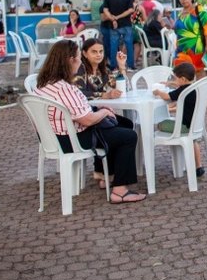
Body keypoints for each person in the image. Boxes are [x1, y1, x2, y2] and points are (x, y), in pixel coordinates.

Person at [34, 40, 145, 203]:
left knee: (122, 124)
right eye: (79, 57)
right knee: (128, 136)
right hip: (72, 138)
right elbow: (86, 120)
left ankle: (108, 174)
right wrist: (104, 111)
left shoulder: (44, 84)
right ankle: (120, 190)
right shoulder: (65, 87)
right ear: (71, 60)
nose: (79, 62)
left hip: (55, 135)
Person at [153, 62, 205, 178]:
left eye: (175, 79)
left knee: (160, 125)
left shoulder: (182, 91)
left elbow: (167, 97)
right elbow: (179, 88)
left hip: (183, 127)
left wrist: (158, 92)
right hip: (194, 126)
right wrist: (170, 83)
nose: (174, 80)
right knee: (193, 141)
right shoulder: (194, 88)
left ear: (182, 79)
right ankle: (198, 166)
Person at [174, 0, 207, 77]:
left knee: (198, 70)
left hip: (196, 47)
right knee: (181, 71)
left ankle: (201, 91)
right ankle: (187, 91)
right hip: (181, 48)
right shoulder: (180, 13)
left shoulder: (199, 10)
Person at [101, 0, 136, 71]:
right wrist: (119, 17)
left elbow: (105, 10)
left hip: (113, 25)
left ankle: (113, 66)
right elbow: (131, 10)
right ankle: (130, 66)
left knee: (113, 45)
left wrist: (113, 18)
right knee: (129, 45)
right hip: (126, 24)